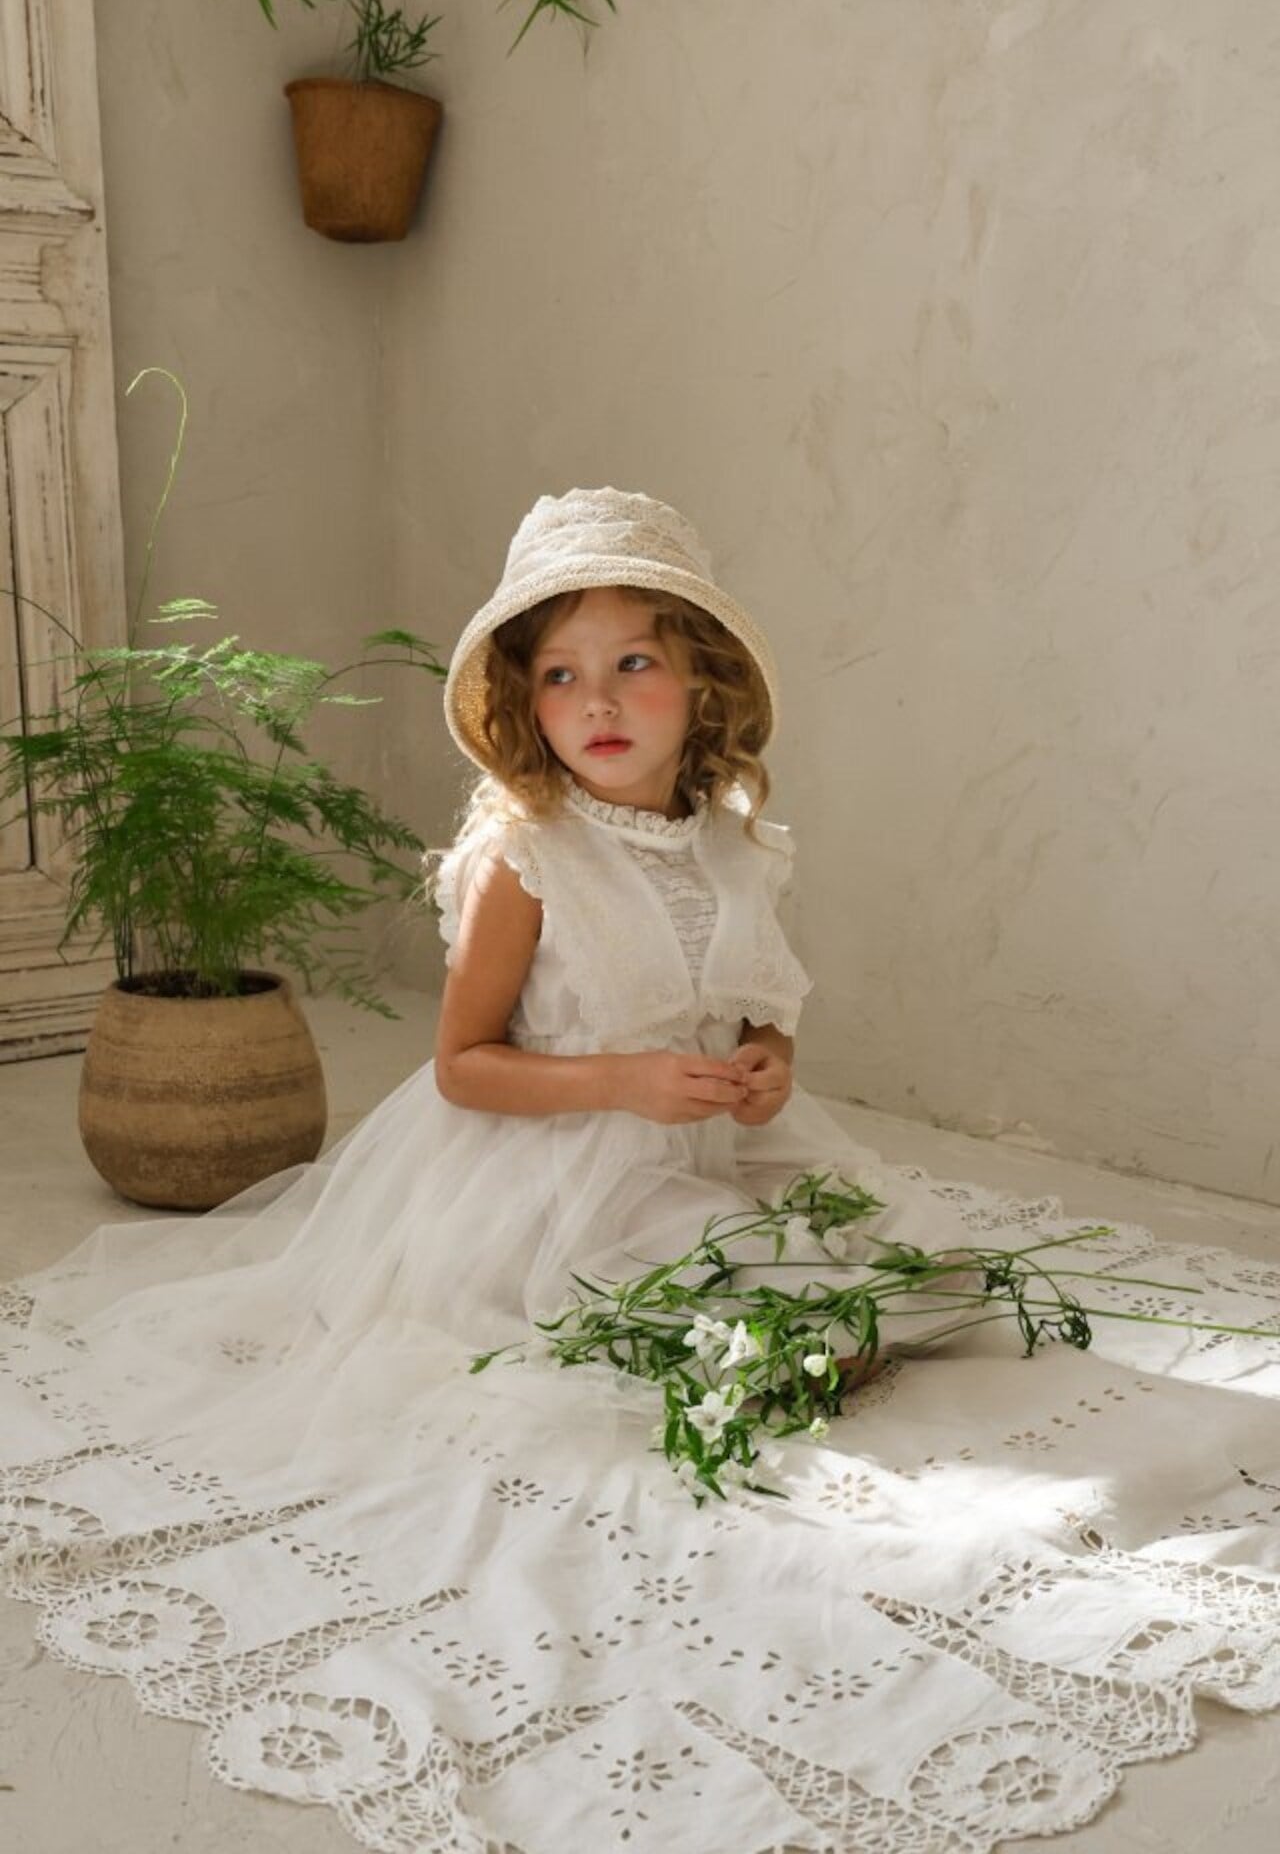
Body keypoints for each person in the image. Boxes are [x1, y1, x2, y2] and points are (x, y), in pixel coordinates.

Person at [3, 486, 1280, 1854]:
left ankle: (796, 1330)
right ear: (525, 704)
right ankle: (755, 1344)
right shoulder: (528, 856)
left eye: (633, 663)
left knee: (919, 1264)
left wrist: (768, 1060)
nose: (597, 700)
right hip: (552, 1163)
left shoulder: (734, 839)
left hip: (713, 1136)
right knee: (680, 1299)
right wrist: (621, 1081)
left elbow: (756, 1008)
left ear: (703, 683)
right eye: (559, 675)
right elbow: (464, 1064)